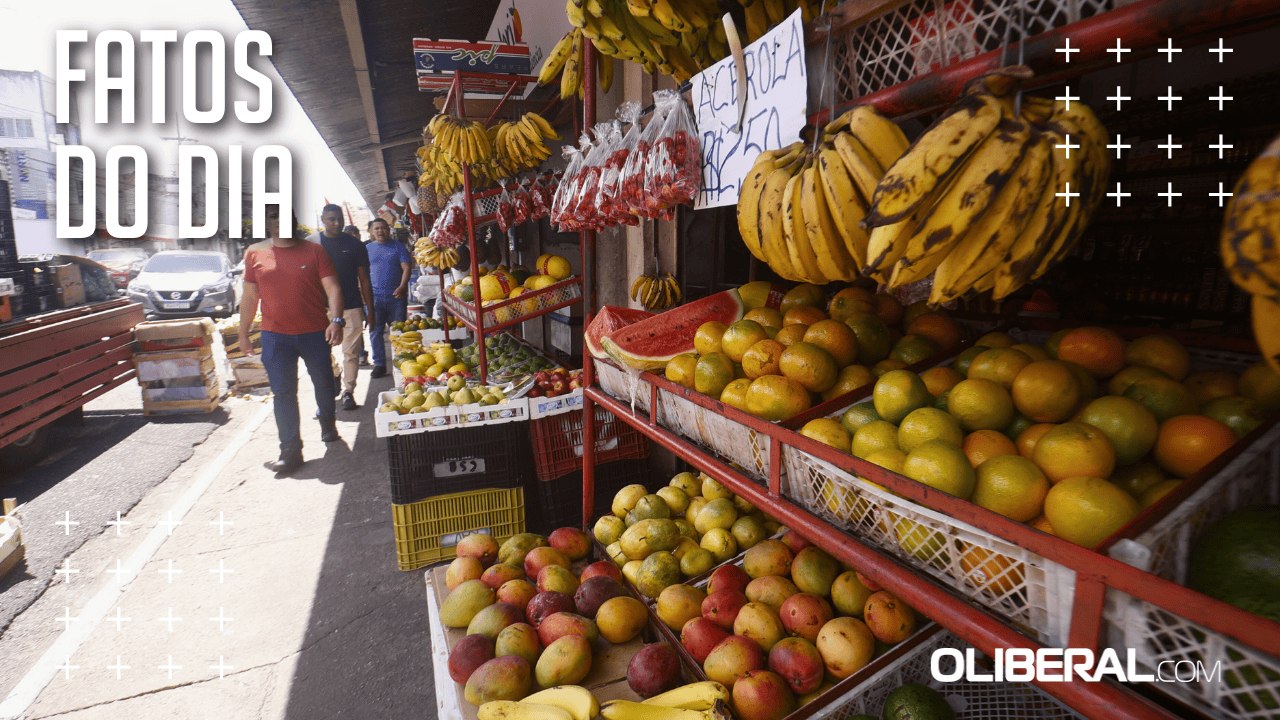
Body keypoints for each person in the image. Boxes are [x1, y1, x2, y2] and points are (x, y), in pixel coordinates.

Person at [239, 206, 346, 475]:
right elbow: (249, 297)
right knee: (283, 392)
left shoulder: (315, 251)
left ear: (295, 221)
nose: (279, 222)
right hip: (275, 337)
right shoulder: (254, 253)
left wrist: (336, 320)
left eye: (284, 216)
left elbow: (333, 288)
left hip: (314, 333)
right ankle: (290, 450)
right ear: (267, 223)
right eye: (273, 217)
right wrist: (243, 333)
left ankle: (328, 423)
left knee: (323, 383)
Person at [313, 205, 372, 411]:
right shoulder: (313, 244)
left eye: (340, 219)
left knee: (351, 353)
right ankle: (329, 388)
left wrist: (370, 310)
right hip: (321, 310)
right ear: (323, 219)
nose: (337, 223)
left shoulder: (355, 245)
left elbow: (364, 279)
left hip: (351, 307)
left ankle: (348, 392)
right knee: (321, 355)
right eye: (331, 219)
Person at [366, 217, 413, 378]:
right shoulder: (367, 249)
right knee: (375, 332)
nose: (380, 231)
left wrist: (402, 286)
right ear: (371, 231)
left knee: (399, 332)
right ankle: (379, 365)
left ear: (389, 229)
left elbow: (406, 267)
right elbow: (362, 274)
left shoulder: (398, 246)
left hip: (396, 297)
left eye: (383, 228)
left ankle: (402, 362)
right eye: (377, 228)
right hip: (375, 298)